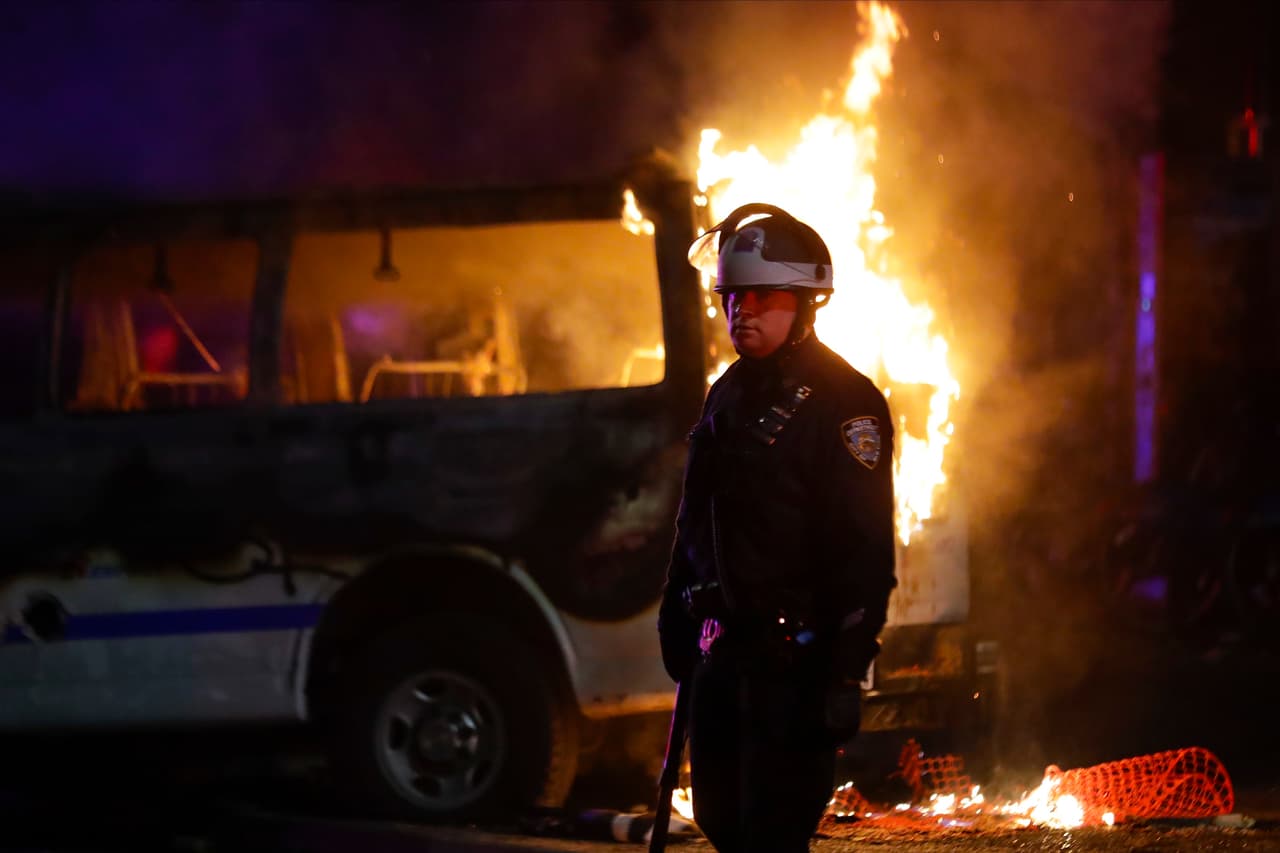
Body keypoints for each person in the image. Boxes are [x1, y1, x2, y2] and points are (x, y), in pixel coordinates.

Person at [658, 203, 897, 853]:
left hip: (797, 667)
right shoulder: (727, 394)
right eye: (734, 296)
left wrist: (847, 668)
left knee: (774, 837)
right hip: (724, 660)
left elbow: (866, 548)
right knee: (722, 821)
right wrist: (676, 608)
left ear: (804, 303)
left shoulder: (846, 402)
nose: (743, 310)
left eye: (763, 296)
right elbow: (696, 516)